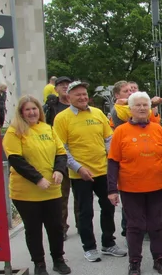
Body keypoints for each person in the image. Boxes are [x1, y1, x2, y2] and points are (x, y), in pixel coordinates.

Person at [53, 81, 127, 262]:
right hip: (80, 174)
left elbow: (108, 138)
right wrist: (78, 168)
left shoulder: (98, 113)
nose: (82, 97)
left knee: (109, 208)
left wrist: (111, 161)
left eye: (84, 94)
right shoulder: (62, 118)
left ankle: (108, 243)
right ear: (68, 97)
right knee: (85, 212)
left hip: (103, 170)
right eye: (77, 94)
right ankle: (89, 247)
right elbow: (62, 148)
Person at [2, 95, 70, 275]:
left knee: (55, 227)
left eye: (35, 109)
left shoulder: (47, 128)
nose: (32, 112)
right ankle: (39, 264)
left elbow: (61, 153)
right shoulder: (15, 132)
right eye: (28, 109)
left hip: (52, 189)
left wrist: (59, 170)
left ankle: (58, 259)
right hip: (26, 192)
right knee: (33, 229)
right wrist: (38, 179)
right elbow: (16, 160)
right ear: (21, 112)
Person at [107, 92, 162, 275]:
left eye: (145, 105)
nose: (142, 108)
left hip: (157, 185)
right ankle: (134, 261)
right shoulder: (120, 131)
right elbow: (113, 161)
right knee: (135, 226)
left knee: (157, 225)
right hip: (131, 187)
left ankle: (158, 258)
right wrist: (112, 189)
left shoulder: (157, 129)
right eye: (138, 105)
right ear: (130, 109)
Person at [44, 76, 78, 239]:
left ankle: (82, 224)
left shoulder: (78, 106)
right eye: (61, 85)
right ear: (55, 89)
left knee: (80, 194)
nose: (65, 87)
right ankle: (62, 227)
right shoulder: (52, 106)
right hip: (60, 156)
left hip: (79, 156)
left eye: (67, 85)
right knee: (62, 194)